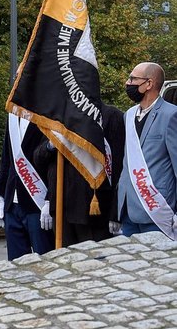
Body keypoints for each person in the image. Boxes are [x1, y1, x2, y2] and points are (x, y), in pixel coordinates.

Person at [35, 104, 125, 244]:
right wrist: (50, 146)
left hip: (93, 210)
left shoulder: (110, 115)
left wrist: (115, 212)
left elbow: (118, 166)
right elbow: (39, 159)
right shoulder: (59, 116)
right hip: (61, 208)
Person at [117, 63, 177, 238]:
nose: (128, 83)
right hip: (128, 209)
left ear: (149, 84)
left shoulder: (171, 115)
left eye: (133, 79)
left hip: (156, 211)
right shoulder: (128, 115)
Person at [0, 114, 54, 260]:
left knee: (45, 261)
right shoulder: (13, 114)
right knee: (15, 266)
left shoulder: (48, 111)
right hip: (11, 203)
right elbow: (7, 157)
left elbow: (54, 165)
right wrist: (0, 196)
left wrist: (50, 199)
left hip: (37, 201)